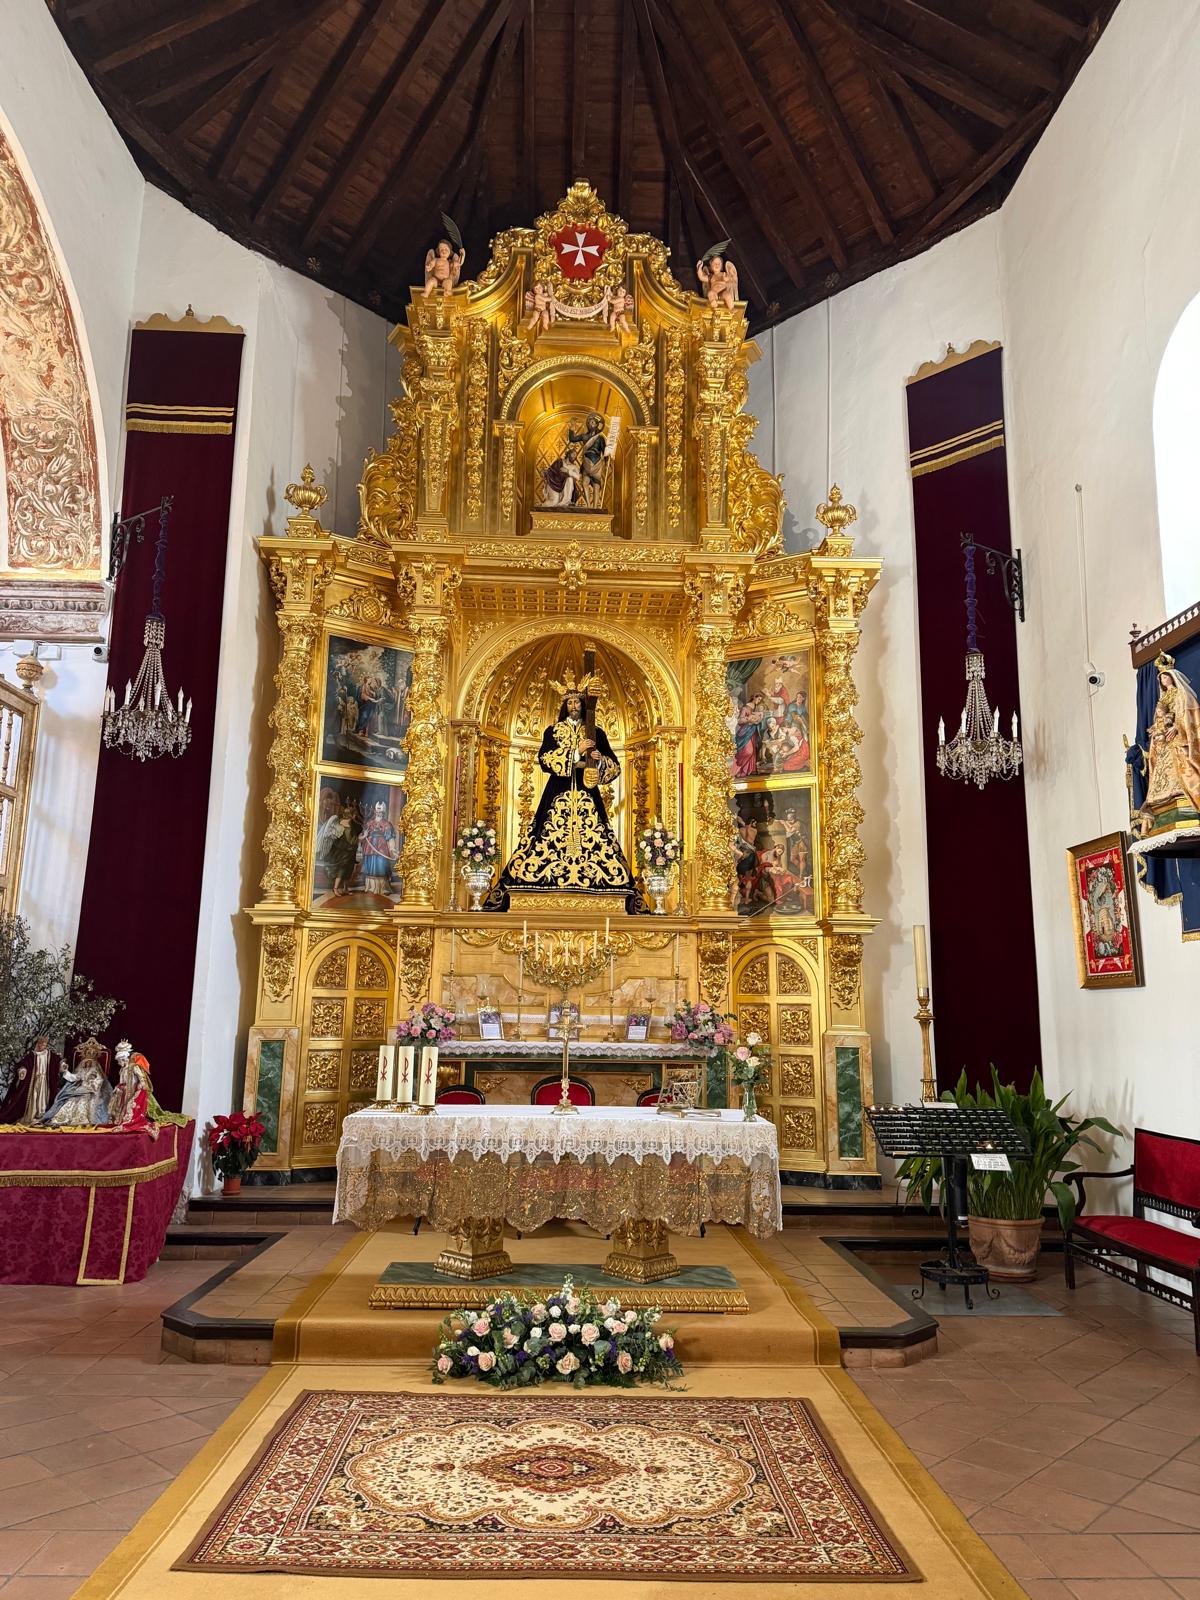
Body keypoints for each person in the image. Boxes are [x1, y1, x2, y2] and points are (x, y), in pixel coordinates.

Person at [490, 675, 635, 906]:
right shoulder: (553, 731)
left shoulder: (596, 733)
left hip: (588, 793)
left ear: (583, 704)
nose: (574, 707)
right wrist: (576, 752)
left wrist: (598, 762)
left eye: (577, 702)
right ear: (564, 706)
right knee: (541, 833)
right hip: (558, 791)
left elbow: (614, 766)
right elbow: (545, 759)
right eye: (570, 703)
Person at [360, 799, 400, 897]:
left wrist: (392, 849)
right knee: (370, 867)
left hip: (381, 848)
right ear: (375, 811)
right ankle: (370, 887)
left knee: (381, 867)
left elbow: (390, 838)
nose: (378, 813)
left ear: (383, 812)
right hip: (370, 848)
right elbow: (364, 834)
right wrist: (364, 836)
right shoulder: (370, 823)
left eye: (380, 812)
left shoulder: (387, 824)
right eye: (377, 811)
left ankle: (383, 888)